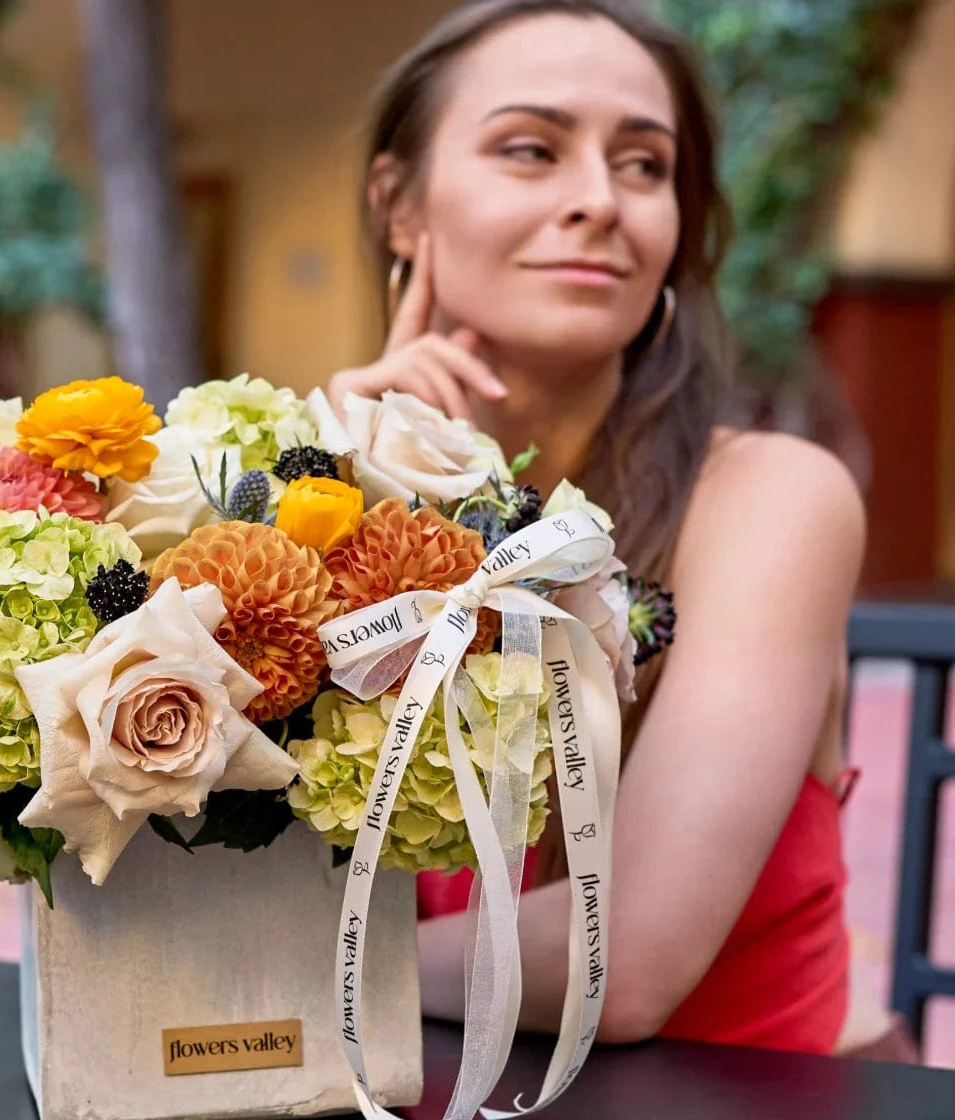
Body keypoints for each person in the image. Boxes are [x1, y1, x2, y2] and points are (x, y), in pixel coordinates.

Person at [326, 0, 913, 1061]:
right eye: (529, 150)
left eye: (643, 167)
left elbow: (620, 958)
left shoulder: (770, 496)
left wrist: (280, 965)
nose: (598, 201)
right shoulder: (333, 489)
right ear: (399, 205)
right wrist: (328, 484)